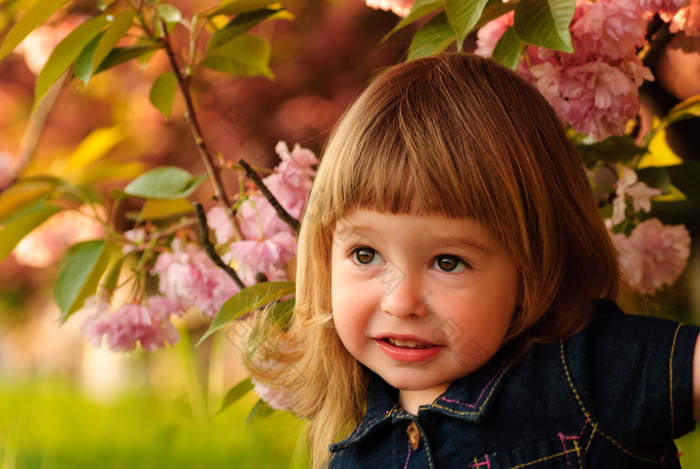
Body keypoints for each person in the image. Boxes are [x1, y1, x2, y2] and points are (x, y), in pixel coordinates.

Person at [243, 53, 700, 468]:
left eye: (448, 262)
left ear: (533, 266)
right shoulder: (353, 455)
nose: (401, 302)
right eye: (366, 255)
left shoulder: (585, 373)